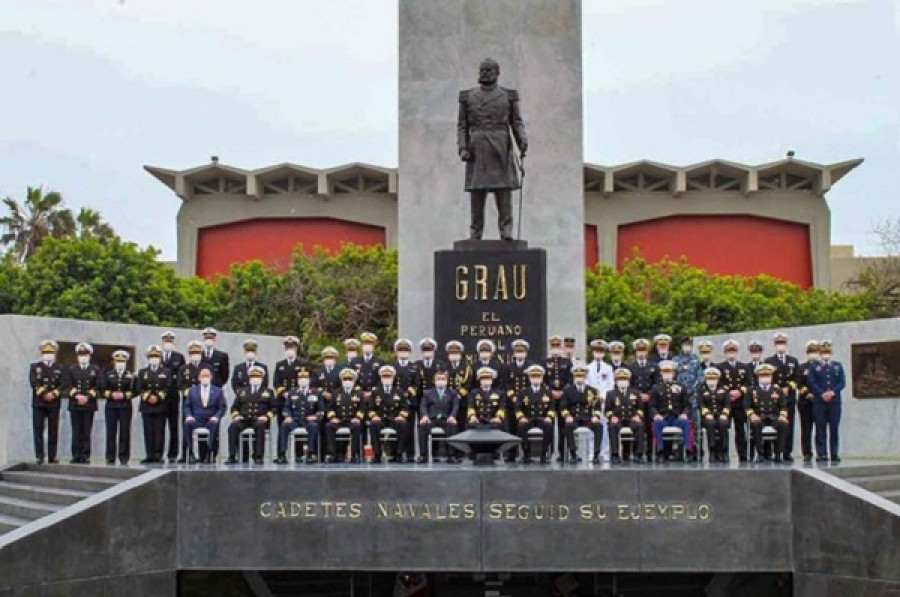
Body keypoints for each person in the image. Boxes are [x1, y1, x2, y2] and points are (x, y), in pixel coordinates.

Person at [457, 57, 527, 241]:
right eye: (482, 70)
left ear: (497, 73)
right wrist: (463, 147)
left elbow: (516, 122)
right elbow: (462, 125)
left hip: (500, 145)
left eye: (488, 70)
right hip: (477, 147)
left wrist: (522, 141)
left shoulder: (508, 95)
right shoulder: (468, 96)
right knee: (477, 193)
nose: (484, 73)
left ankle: (506, 231)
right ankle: (475, 232)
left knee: (503, 192)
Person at [807, 340, 845, 463]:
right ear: (819, 352)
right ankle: (821, 453)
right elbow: (811, 382)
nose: (825, 354)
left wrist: (833, 392)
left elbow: (842, 382)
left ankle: (834, 453)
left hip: (834, 402)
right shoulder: (814, 366)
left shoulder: (837, 366)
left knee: (834, 428)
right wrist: (822, 394)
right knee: (820, 428)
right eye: (823, 352)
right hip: (820, 402)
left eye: (828, 352)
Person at [225, 365, 273, 465]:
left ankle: (258, 456)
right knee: (233, 427)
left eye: (257, 377)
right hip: (244, 419)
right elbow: (234, 407)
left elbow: (274, 408)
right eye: (252, 377)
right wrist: (236, 415)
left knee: (260, 427)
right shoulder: (242, 391)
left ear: (262, 379)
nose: (255, 379)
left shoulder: (268, 392)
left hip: (259, 419)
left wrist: (267, 417)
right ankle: (232, 455)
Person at [765, 332, 800, 463]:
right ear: (774, 345)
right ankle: (775, 452)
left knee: (788, 425)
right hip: (774, 399)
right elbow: (766, 378)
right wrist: (778, 390)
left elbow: (797, 378)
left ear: (786, 344)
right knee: (774, 424)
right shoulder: (769, 361)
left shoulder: (793, 361)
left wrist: (789, 388)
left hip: (789, 398)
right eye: (778, 343)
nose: (781, 346)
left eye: (783, 343)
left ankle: (787, 452)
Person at [274, 368, 321, 465]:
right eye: (300, 378)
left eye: (305, 378)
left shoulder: (316, 393)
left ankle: (311, 454)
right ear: (297, 380)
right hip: (295, 420)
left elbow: (321, 410)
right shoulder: (292, 392)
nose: (303, 380)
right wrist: (287, 416)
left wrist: (315, 416)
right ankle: (282, 454)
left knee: (314, 426)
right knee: (284, 426)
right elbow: (286, 408)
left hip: (309, 420)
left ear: (309, 380)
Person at [29, 340, 65, 465]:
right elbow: (34, 383)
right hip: (39, 403)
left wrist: (54, 394)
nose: (48, 354)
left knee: (53, 430)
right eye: (46, 352)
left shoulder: (59, 368)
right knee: (38, 429)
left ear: (55, 353)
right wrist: (45, 393)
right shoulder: (35, 367)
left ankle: (52, 456)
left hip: (54, 403)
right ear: (41, 353)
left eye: (50, 352)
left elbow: (63, 384)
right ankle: (39, 455)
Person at [65, 342, 101, 464]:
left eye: (85, 354)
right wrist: (77, 396)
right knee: (76, 431)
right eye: (81, 354)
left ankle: (85, 455)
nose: (83, 356)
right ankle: (76, 454)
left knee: (86, 430)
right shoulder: (72, 369)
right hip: (75, 404)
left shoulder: (95, 370)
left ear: (89, 355)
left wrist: (88, 396)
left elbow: (99, 386)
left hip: (89, 404)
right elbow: (67, 386)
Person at [137, 345, 173, 464]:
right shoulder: (142, 372)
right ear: (148, 358)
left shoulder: (166, 372)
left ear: (160, 358)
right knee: (148, 431)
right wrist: (148, 397)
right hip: (146, 406)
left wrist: (157, 397)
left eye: (156, 356)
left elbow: (168, 387)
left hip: (160, 406)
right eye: (152, 356)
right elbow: (139, 387)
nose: (154, 358)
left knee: (159, 431)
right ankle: (149, 454)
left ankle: (158, 455)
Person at [650, 360, 692, 463]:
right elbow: (652, 406)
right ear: (661, 373)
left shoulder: (681, 387)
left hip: (676, 417)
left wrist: (684, 414)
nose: (667, 374)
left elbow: (687, 404)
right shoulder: (656, 388)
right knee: (656, 424)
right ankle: (660, 450)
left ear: (673, 373)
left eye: (669, 371)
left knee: (687, 423)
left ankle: (688, 450)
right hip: (663, 417)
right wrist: (656, 414)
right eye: (665, 371)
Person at [747, 363, 789, 463]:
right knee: (756, 424)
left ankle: (778, 454)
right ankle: (760, 454)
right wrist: (752, 415)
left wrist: (782, 416)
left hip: (773, 417)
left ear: (771, 376)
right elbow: (747, 406)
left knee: (783, 424)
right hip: (759, 417)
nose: (765, 378)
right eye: (762, 376)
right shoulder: (751, 390)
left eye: (767, 376)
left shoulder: (777, 390)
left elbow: (783, 405)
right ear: (758, 377)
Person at [367, 365, 411, 464]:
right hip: (381, 419)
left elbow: (405, 407)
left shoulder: (399, 392)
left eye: (389, 377)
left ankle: (399, 454)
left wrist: (402, 416)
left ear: (393, 378)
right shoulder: (375, 392)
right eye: (384, 377)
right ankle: (377, 454)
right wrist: (374, 416)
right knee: (373, 425)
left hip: (394, 419)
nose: (387, 379)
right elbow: (370, 408)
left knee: (403, 425)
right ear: (381, 378)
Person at [183, 365, 226, 464]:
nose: (205, 378)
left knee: (215, 425)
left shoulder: (218, 391)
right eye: (203, 376)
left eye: (207, 376)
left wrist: (216, 416)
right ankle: (191, 453)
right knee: (187, 424)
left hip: (210, 419)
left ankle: (209, 452)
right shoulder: (192, 391)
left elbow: (222, 407)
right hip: (196, 419)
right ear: (199, 378)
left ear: (211, 377)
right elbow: (187, 406)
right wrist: (189, 415)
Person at [561, 363, 602, 464]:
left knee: (599, 426)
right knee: (568, 426)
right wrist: (567, 416)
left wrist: (596, 416)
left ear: (585, 377)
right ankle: (574, 454)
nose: (579, 378)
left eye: (581, 376)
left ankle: (596, 455)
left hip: (587, 418)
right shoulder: (567, 390)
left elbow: (597, 407)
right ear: (574, 377)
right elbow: (563, 406)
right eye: (577, 376)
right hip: (573, 418)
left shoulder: (592, 391)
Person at [718, 340, 752, 462]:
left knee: (740, 430)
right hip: (726, 403)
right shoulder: (719, 367)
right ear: (725, 353)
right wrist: (729, 393)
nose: (731, 353)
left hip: (740, 403)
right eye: (729, 351)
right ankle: (724, 453)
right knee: (724, 428)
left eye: (733, 351)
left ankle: (742, 454)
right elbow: (718, 384)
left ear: (737, 352)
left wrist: (740, 392)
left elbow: (749, 384)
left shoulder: (744, 367)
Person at [417, 369, 461, 464]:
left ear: (446, 381)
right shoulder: (427, 393)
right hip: (431, 419)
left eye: (443, 379)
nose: (440, 380)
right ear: (434, 381)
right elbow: (423, 406)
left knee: (453, 426)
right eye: (438, 379)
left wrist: (452, 416)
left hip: (446, 419)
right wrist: (425, 416)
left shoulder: (453, 393)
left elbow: (455, 406)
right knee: (423, 426)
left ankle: (451, 455)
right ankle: (423, 455)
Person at [604, 368, 645, 464]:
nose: (622, 381)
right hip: (617, 418)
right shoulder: (610, 393)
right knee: (612, 426)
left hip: (631, 418)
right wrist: (611, 416)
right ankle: (615, 455)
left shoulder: (635, 392)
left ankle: (638, 454)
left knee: (640, 425)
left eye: (624, 379)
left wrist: (638, 415)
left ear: (628, 381)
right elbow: (607, 409)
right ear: (616, 381)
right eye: (620, 379)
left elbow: (641, 408)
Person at [516, 364, 555, 464]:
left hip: (542, 418)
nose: (536, 379)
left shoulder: (547, 392)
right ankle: (526, 454)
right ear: (529, 378)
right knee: (521, 427)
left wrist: (549, 417)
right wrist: (521, 417)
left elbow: (551, 407)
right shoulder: (523, 392)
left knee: (549, 426)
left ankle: (544, 454)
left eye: (538, 376)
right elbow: (518, 408)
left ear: (542, 378)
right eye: (533, 376)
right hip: (528, 418)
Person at [324, 368, 364, 464]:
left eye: (350, 379)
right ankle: (332, 454)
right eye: (345, 379)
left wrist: (357, 418)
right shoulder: (336, 393)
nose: (347, 382)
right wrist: (333, 417)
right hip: (339, 419)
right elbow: (329, 408)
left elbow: (362, 408)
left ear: (354, 381)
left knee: (357, 427)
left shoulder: (358, 393)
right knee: (329, 426)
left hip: (352, 420)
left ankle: (355, 455)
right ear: (341, 381)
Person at [103, 349, 135, 465]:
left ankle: (124, 456)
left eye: (122, 361)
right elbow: (102, 389)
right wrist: (111, 394)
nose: (120, 363)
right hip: (111, 406)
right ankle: (110, 456)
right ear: (114, 362)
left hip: (125, 406)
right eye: (118, 361)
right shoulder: (108, 374)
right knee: (111, 432)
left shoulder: (131, 375)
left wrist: (125, 395)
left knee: (125, 432)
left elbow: (135, 390)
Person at [390, 339, 420, 460]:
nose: (403, 353)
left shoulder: (414, 367)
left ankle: (410, 453)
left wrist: (407, 394)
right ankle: (394, 453)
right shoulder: (391, 366)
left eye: (406, 351)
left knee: (410, 429)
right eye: (401, 350)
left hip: (409, 401)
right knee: (395, 427)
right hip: (394, 402)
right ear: (396, 352)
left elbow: (417, 384)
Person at [176, 340, 205, 463]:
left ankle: (204, 455)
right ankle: (186, 454)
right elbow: (180, 384)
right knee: (186, 427)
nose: (195, 355)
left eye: (197, 352)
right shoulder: (184, 368)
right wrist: (187, 391)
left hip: (203, 402)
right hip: (188, 402)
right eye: (193, 353)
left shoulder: (206, 368)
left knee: (203, 427)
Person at [628, 339, 659, 457]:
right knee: (637, 426)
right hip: (635, 401)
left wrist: (649, 394)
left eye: (643, 350)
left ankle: (651, 451)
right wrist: (638, 395)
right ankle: (637, 452)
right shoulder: (631, 367)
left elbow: (656, 384)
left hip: (650, 401)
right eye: (639, 350)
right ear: (636, 352)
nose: (641, 353)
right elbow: (629, 385)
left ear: (647, 352)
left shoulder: (653, 366)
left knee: (649, 427)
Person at [675, 335, 703, 457]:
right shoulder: (675, 360)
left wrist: (692, 389)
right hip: (679, 398)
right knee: (680, 422)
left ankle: (695, 449)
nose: (687, 347)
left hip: (693, 398)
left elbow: (700, 377)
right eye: (684, 344)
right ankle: (680, 449)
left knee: (695, 424)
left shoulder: (697, 360)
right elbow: (673, 377)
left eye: (689, 345)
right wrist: (680, 390)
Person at [160, 331, 186, 463]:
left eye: (170, 341)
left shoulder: (179, 357)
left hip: (173, 396)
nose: (168, 343)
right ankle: (158, 453)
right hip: (159, 398)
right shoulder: (157, 356)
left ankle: (173, 453)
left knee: (173, 426)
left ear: (174, 342)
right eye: (166, 341)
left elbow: (182, 375)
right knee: (159, 427)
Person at [272, 335, 309, 428]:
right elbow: (276, 382)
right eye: (288, 347)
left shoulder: (302, 364)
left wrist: (294, 393)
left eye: (292, 347)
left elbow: (305, 382)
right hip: (283, 399)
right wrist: (283, 393)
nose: (290, 349)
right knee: (282, 427)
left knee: (299, 428)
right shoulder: (280, 365)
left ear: (296, 348)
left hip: (298, 399)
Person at [586, 339, 613, 462]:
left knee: (605, 428)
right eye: (596, 351)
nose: (598, 353)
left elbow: (610, 385)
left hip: (604, 401)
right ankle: (592, 452)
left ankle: (605, 453)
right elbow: (587, 384)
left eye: (601, 351)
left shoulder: (608, 368)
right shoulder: (587, 368)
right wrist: (593, 397)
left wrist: (603, 396)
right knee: (593, 428)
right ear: (593, 352)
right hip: (591, 402)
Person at [698, 368, 731, 463]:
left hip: (721, 415)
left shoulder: (724, 389)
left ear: (718, 379)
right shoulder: (701, 389)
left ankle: (724, 451)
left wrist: (724, 414)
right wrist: (707, 413)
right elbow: (700, 404)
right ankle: (712, 451)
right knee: (710, 424)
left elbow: (728, 403)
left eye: (713, 379)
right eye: (709, 379)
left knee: (724, 424)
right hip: (708, 417)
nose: (711, 381)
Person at [796, 341, 820, 463]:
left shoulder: (822, 366)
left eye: (815, 351)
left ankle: (820, 452)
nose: (813, 354)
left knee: (820, 428)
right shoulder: (802, 367)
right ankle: (806, 452)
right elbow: (799, 383)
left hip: (819, 402)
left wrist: (817, 394)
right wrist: (807, 394)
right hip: (805, 402)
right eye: (811, 352)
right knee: (806, 429)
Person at [351, 332, 382, 399]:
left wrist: (372, 392)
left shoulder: (380, 362)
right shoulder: (354, 361)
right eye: (365, 344)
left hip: (375, 396)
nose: (367, 346)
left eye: (370, 343)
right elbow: (351, 379)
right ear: (362, 345)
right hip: (358, 396)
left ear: (374, 346)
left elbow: (382, 380)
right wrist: (360, 392)